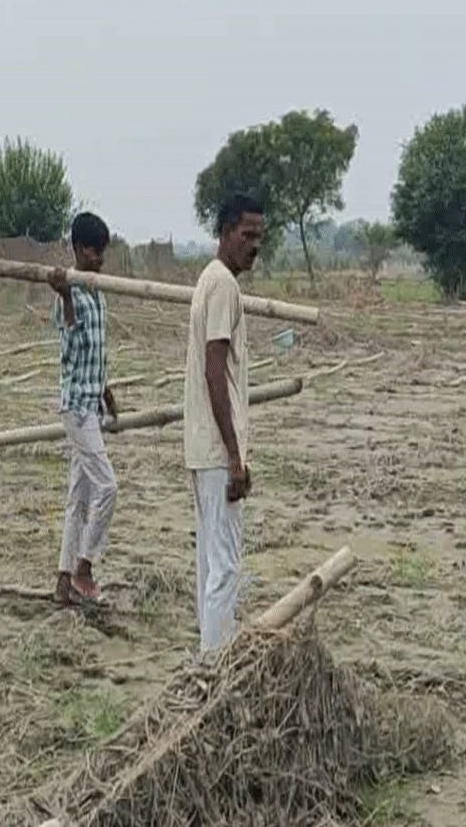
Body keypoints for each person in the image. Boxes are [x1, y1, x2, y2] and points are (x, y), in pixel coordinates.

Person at [182, 193, 265, 652]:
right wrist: (235, 455)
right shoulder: (222, 287)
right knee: (226, 567)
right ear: (226, 232)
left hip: (205, 447)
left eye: (260, 237)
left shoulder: (211, 281)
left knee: (210, 564)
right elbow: (216, 370)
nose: (254, 245)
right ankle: (216, 669)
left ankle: (208, 658)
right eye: (247, 235)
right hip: (217, 450)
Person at [47, 211, 119, 606]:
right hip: (75, 409)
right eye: (93, 251)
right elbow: (71, 337)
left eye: (102, 252)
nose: (99, 259)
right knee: (108, 487)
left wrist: (107, 393)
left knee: (79, 496)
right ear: (78, 249)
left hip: (92, 405)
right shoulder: (70, 295)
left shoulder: (98, 293)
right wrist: (63, 294)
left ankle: (62, 582)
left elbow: (96, 354)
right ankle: (84, 567)